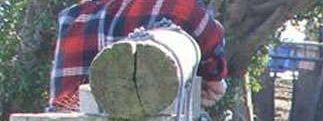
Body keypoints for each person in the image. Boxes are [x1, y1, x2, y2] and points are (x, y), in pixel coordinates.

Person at [48, 0, 229, 112]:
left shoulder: (73, 18)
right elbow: (213, 47)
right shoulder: (181, 6)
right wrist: (214, 80)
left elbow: (60, 104)